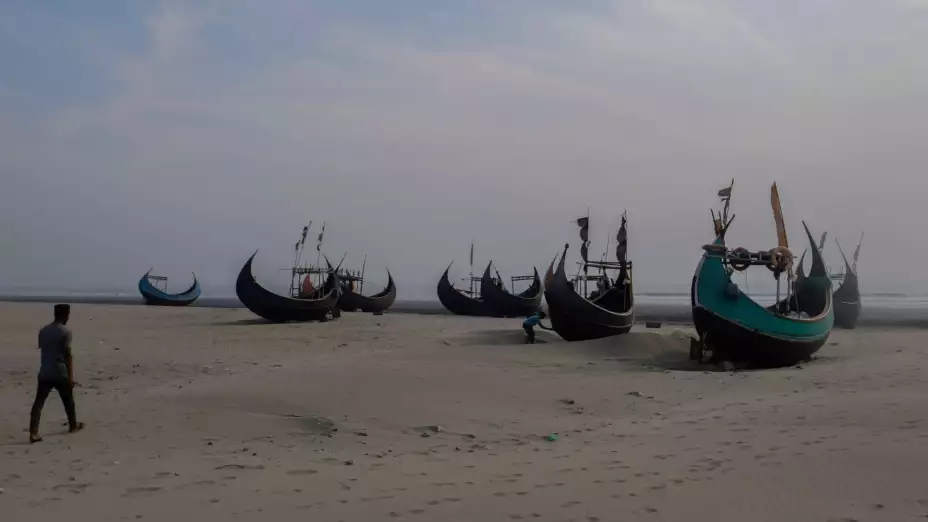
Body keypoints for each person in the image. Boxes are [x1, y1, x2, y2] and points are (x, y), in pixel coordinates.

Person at [29, 304, 83, 443]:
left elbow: (44, 349)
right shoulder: (65, 332)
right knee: (68, 401)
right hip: (59, 371)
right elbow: (68, 355)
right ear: (66, 315)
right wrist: (71, 377)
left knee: (38, 403)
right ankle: (73, 426)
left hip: (45, 370)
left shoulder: (43, 331)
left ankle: (33, 432)